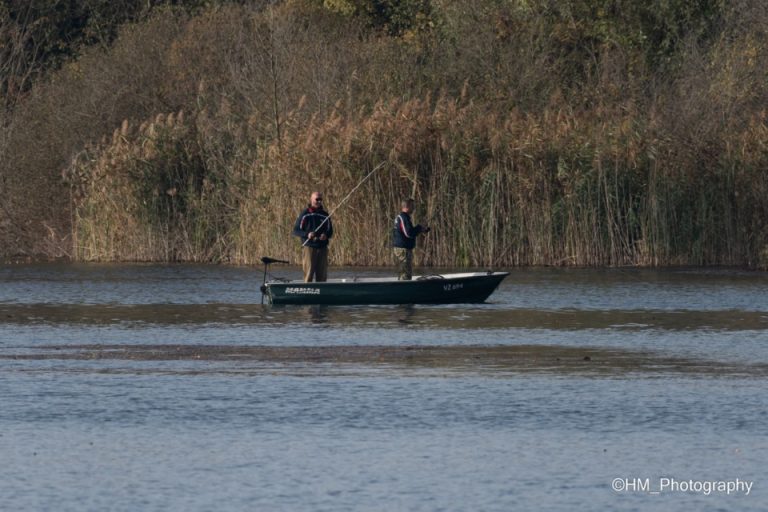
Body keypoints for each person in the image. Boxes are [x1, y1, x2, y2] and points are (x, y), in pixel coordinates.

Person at [293, 191, 333, 282]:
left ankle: (321, 293)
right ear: (311, 200)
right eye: (317, 199)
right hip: (309, 247)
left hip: (322, 247)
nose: (319, 201)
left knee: (322, 275)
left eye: (320, 199)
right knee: (308, 274)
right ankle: (308, 292)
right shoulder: (305, 214)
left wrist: (325, 236)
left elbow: (330, 231)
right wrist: (307, 234)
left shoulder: (325, 215)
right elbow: (296, 230)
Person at [392, 198, 430, 280]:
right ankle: (404, 289)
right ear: (407, 207)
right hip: (403, 249)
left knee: (405, 270)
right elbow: (408, 233)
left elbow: (408, 231)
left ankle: (403, 286)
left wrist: (421, 229)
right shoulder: (403, 217)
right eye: (413, 206)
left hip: (402, 248)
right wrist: (419, 227)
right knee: (405, 272)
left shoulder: (403, 217)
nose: (414, 208)